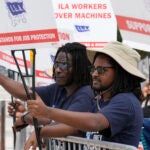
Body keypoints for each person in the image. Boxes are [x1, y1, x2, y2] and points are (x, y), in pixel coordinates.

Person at [27, 41, 146, 148]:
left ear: (120, 72)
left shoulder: (126, 101)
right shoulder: (100, 101)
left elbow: (96, 123)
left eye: (101, 70)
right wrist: (42, 131)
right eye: (93, 68)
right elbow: (76, 129)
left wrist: (47, 111)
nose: (94, 74)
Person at [2, 42, 95, 149]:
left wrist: (39, 131)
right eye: (56, 64)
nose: (58, 70)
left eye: (64, 65)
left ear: (79, 67)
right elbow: (26, 92)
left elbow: (71, 125)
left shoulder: (86, 94)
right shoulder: (58, 89)